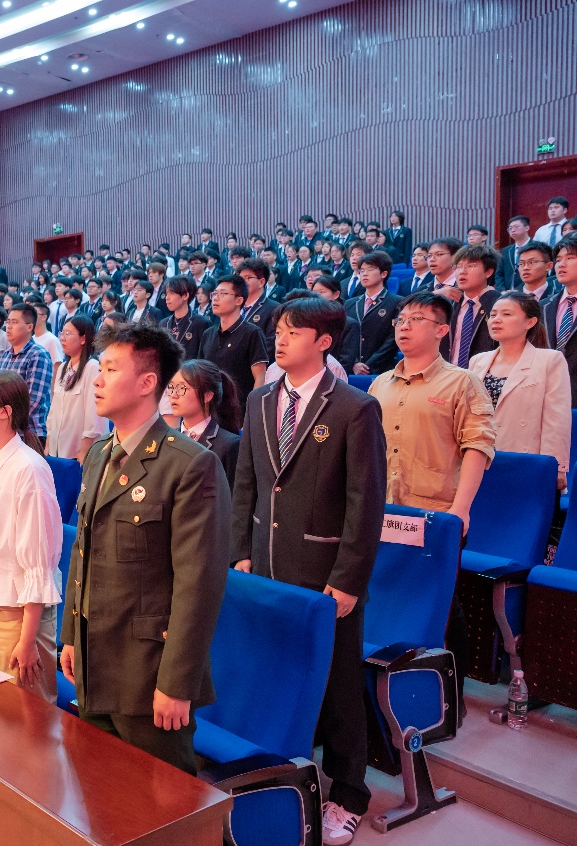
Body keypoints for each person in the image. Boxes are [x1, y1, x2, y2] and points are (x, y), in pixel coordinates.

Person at [231, 296, 388, 845]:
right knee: (275, 674)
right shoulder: (259, 400)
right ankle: (279, 778)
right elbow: (246, 481)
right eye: (278, 329)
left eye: (294, 331)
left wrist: (348, 579)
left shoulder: (353, 407)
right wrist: (241, 550)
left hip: (326, 575)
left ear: (323, 342)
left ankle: (349, 794)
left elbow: (366, 503)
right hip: (266, 565)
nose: (280, 338)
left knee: (340, 685)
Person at [60, 322, 231, 775]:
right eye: (99, 369)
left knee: (161, 799)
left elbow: (198, 585)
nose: (97, 380)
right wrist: (71, 635)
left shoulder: (190, 465)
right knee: (97, 786)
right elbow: (82, 551)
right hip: (94, 657)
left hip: (147, 671)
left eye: (111, 369)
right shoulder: (99, 453)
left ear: (147, 382)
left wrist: (177, 683)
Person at [369, 290, 497, 715]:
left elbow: (478, 446)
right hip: (384, 510)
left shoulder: (462, 382)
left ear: (442, 330)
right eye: (400, 319)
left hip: (435, 515)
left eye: (416, 319)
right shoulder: (380, 383)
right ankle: (397, 694)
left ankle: (450, 699)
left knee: (442, 605)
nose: (404, 326)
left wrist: (460, 510)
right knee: (388, 596)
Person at [0, 370, 63, 703]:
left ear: (5, 411)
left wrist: (28, 639)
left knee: (27, 717)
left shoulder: (29, 469)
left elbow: (39, 562)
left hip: (19, 615)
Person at [468, 292, 570, 489]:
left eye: (506, 314)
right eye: (493, 314)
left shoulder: (550, 360)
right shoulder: (478, 361)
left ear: (530, 322)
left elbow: (556, 420)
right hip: (478, 458)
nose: (496, 320)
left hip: (524, 459)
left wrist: (556, 466)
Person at [165, 360, 242, 487]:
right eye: (171, 387)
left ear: (207, 396)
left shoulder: (229, 444)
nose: (174, 395)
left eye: (182, 388)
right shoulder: (166, 439)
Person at [45, 315, 105, 465]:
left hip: (78, 453)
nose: (62, 338)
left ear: (83, 339)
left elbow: (93, 413)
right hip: (56, 450)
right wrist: (48, 444)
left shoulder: (91, 367)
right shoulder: (63, 368)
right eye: (62, 333)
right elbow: (53, 410)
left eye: (68, 333)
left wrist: (84, 450)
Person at [0, 303, 54, 439]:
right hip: (4, 429)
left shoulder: (38, 355)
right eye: (8, 322)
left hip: (29, 432)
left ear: (30, 327)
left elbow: (33, 400)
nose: (9, 326)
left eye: (14, 322)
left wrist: (7, 421)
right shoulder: (6, 355)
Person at [201, 275, 269, 397]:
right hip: (211, 405)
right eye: (215, 294)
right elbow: (201, 374)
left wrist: (252, 406)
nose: (216, 298)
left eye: (223, 294)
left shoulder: (252, 333)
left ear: (239, 300)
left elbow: (260, 377)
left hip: (240, 406)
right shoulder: (208, 334)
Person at [441, 243, 501, 368]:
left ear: (488, 272)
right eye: (459, 266)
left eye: (471, 266)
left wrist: (490, 297)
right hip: (448, 373)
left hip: (483, 373)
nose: (462, 271)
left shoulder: (498, 303)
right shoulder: (449, 303)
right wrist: (435, 295)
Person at [346, 250, 403, 375]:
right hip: (353, 370)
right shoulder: (350, 304)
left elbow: (393, 338)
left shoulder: (397, 302)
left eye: (370, 269)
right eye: (362, 270)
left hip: (384, 369)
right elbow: (344, 337)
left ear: (384, 274)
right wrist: (354, 363)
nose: (364, 274)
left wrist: (369, 365)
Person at [544, 234, 577, 407]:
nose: (561, 264)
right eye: (558, 260)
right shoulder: (543, 306)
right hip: (548, 396)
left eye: (570, 258)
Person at [160, 275, 210, 359]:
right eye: (166, 293)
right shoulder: (164, 323)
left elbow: (204, 356)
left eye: (171, 293)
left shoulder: (201, 323)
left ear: (185, 295)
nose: (167, 298)